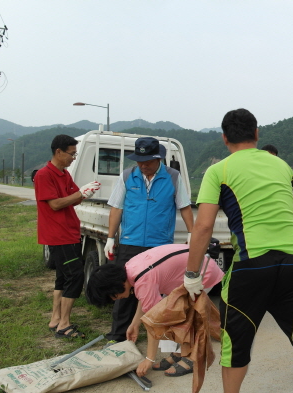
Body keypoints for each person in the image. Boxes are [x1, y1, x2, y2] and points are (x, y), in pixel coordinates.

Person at [183, 108, 293, 393]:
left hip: (252, 265)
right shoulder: (283, 166)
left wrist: (191, 274)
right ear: (257, 134)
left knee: (235, 342)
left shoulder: (218, 170)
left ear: (224, 138)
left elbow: (203, 227)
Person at [104, 137, 195, 343]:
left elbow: (184, 206)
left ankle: (163, 337)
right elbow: (116, 207)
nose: (143, 166)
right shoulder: (127, 176)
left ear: (159, 159)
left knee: (161, 292)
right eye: (139, 161)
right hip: (130, 242)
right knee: (124, 290)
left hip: (159, 245)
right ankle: (118, 335)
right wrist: (111, 237)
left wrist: (192, 233)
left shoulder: (173, 176)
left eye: (148, 162)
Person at [86, 244, 223, 378]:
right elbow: (146, 299)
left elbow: (154, 322)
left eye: (113, 296)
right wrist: (135, 324)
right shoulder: (130, 269)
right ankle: (180, 352)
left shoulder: (142, 279)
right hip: (193, 269)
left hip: (202, 273)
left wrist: (149, 359)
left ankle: (193, 358)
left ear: (115, 285)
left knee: (189, 316)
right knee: (177, 313)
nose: (117, 299)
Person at [34, 134, 100, 339]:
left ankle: (55, 319)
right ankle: (64, 324)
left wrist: (82, 194)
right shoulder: (45, 175)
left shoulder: (64, 173)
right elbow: (55, 204)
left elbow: (74, 199)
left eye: (75, 154)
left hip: (69, 232)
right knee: (75, 276)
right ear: (58, 152)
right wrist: (81, 193)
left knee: (62, 277)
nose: (73, 157)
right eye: (71, 154)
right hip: (58, 234)